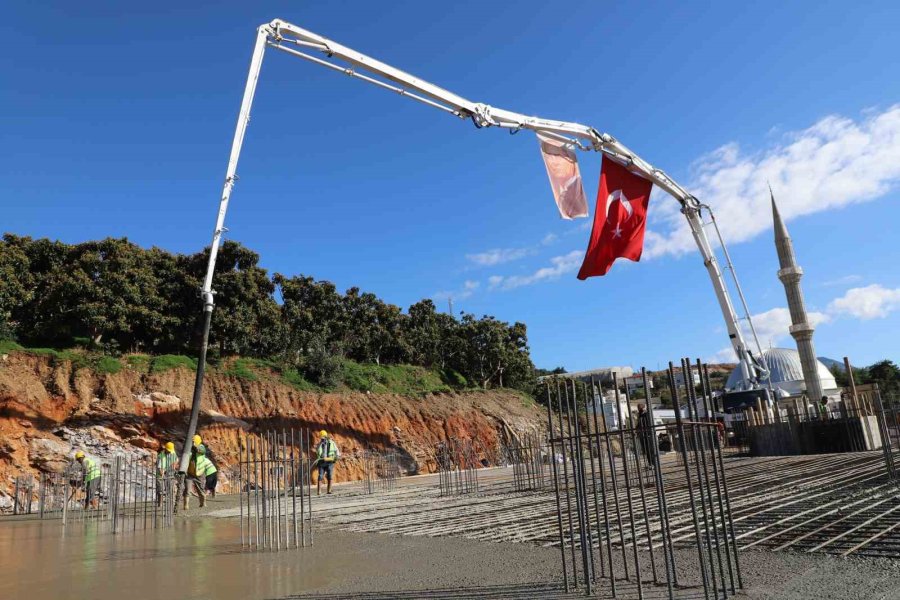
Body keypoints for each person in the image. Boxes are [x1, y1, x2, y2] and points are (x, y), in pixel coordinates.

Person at [314, 430, 340, 495]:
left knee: (330, 476)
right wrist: (320, 443)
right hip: (321, 462)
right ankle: (319, 491)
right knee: (320, 476)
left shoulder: (332, 443)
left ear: (326, 436)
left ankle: (329, 490)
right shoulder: (320, 444)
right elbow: (317, 451)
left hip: (330, 461)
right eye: (321, 438)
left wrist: (336, 456)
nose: (322, 439)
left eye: (323, 437)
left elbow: (337, 451)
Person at [156, 441, 177, 507]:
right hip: (160, 473)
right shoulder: (161, 456)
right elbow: (160, 469)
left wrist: (173, 465)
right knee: (161, 489)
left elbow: (176, 459)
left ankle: (171, 502)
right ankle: (160, 503)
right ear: (166, 449)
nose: (170, 452)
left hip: (169, 472)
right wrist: (162, 474)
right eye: (169, 451)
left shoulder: (172, 452)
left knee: (170, 488)